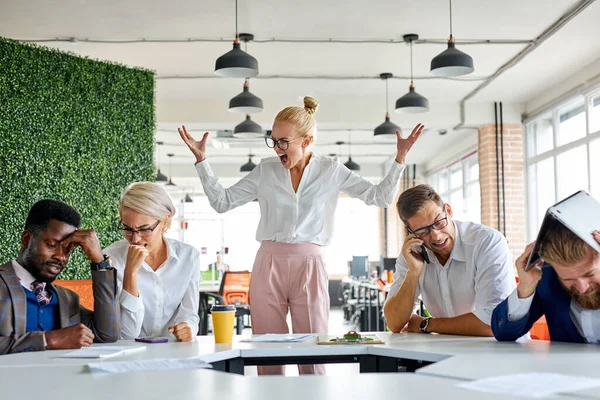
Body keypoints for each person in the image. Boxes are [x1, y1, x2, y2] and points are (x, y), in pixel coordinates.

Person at [179, 96, 424, 375]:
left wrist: (400, 159)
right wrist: (202, 160)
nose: (277, 148)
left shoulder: (330, 170)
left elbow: (379, 197)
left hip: (310, 263)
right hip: (268, 262)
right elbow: (222, 202)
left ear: (306, 141)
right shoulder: (265, 171)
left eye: (284, 142)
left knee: (313, 350)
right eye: (273, 140)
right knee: (267, 352)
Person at [383, 184, 516, 336]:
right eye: (422, 231)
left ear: (449, 210)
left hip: (501, 351)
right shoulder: (412, 253)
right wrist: (413, 273)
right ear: (409, 232)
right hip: (448, 348)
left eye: (439, 222)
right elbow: (394, 322)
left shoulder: (487, 242)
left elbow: (492, 323)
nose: (436, 236)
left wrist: (426, 324)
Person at [0, 199, 119, 354]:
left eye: (67, 250)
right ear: (26, 239)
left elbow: (107, 334)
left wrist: (99, 263)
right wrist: (49, 340)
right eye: (52, 245)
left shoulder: (67, 299)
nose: (61, 257)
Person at [104, 182, 200, 342]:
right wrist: (130, 273)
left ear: (165, 221)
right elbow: (127, 335)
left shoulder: (188, 257)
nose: (135, 239)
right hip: (128, 356)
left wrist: (188, 328)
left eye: (144, 229)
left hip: (174, 352)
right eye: (127, 228)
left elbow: (189, 314)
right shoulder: (110, 258)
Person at [492, 226, 600, 343]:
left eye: (589, 274)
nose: (582, 288)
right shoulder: (548, 278)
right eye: (568, 279)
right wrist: (526, 286)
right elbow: (503, 333)